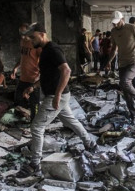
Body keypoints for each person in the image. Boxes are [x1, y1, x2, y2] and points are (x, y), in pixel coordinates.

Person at [16, 23, 96, 178]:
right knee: (70, 121)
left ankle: (35, 165)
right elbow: (47, 75)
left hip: (55, 96)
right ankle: (90, 143)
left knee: (37, 128)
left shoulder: (53, 49)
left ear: (42, 34)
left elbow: (66, 71)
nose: (31, 41)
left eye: (33, 37)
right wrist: (33, 86)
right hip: (58, 95)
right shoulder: (45, 51)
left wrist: (57, 95)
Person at [106, 11, 135, 125]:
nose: (115, 25)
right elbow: (114, 49)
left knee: (125, 81)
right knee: (125, 91)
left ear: (122, 19)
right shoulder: (113, 32)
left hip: (134, 61)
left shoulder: (132, 28)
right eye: (113, 23)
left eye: (117, 22)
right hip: (122, 63)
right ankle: (133, 115)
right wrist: (109, 62)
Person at [10, 23, 42, 121]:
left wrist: (38, 79)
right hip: (23, 78)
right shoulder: (22, 41)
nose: (22, 36)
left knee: (34, 104)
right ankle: (23, 119)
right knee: (18, 100)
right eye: (21, 33)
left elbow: (43, 63)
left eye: (24, 33)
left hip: (33, 79)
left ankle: (34, 124)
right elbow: (23, 57)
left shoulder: (37, 45)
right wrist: (16, 68)